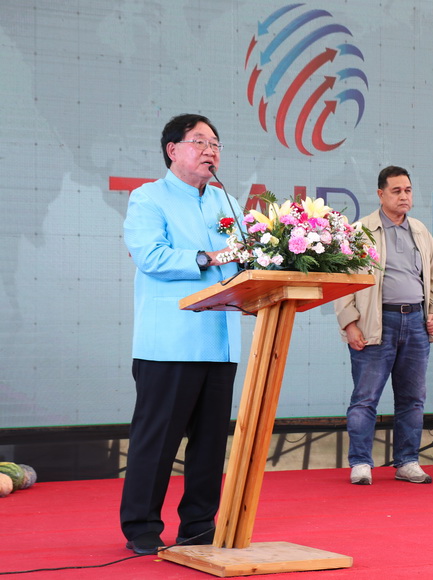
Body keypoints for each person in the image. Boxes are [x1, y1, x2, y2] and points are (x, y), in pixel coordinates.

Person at [121, 114, 244, 554]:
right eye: (199, 142)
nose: (210, 150)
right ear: (172, 149)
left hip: (221, 341)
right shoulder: (148, 197)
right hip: (170, 342)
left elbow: (244, 260)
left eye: (215, 143)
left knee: (209, 445)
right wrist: (208, 257)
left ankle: (198, 524)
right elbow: (150, 256)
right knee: (157, 442)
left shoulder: (227, 202)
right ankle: (141, 527)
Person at [335, 166, 433, 485]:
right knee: (365, 397)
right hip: (375, 323)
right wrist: (349, 323)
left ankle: (407, 461)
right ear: (380, 194)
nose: (403, 196)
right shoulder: (360, 231)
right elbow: (342, 281)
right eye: (396, 191)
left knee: (413, 398)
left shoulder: (420, 231)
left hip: (416, 322)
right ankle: (360, 462)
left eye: (408, 190)